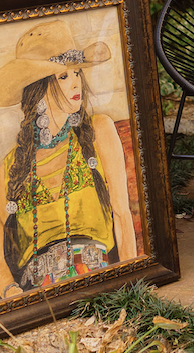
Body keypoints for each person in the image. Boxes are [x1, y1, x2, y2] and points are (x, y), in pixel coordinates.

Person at [0, 20, 137, 297]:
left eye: (76, 73)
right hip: (36, 297)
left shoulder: (98, 130)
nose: (76, 82)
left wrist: (132, 284)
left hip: (98, 284)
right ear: (37, 88)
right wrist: (9, 289)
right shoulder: (11, 165)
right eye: (63, 76)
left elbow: (123, 214)